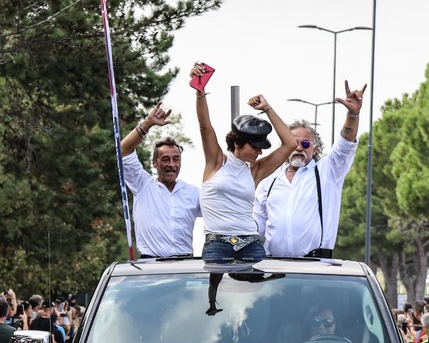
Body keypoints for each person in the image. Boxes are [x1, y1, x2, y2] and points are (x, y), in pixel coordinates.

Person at [190, 63, 297, 263]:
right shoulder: (217, 161)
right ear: (238, 143)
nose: (259, 151)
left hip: (250, 242)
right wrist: (200, 91)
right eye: (255, 146)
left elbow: (290, 143)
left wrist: (267, 109)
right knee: (215, 292)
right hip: (217, 242)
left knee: (259, 290)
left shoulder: (255, 170)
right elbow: (205, 127)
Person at [253, 82, 365, 258]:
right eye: (293, 143)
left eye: (305, 144)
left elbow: (344, 145)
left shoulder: (327, 172)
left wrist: (353, 114)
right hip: (274, 267)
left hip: (315, 268)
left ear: (315, 149)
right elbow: (256, 225)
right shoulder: (269, 182)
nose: (298, 148)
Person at [117, 104, 201, 258]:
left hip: (186, 268)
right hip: (151, 270)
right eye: (165, 159)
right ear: (154, 163)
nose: (171, 165)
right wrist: (148, 123)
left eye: (176, 159)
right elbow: (123, 150)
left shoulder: (194, 193)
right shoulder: (142, 185)